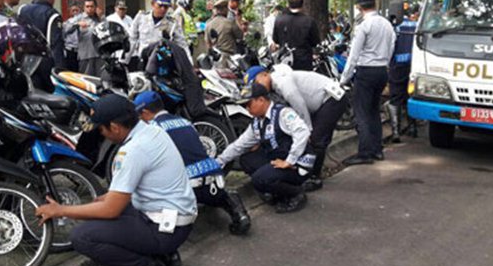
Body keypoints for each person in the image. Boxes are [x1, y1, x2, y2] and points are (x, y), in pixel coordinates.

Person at [36, 94, 197, 266]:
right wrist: (106, 200)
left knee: (82, 236)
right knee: (105, 204)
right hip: (176, 219)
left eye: (101, 129)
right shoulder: (152, 130)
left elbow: (110, 210)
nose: (102, 135)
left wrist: (61, 210)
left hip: (166, 229)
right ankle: (165, 255)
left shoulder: (132, 151)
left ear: (114, 127)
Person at [134, 90, 251, 235]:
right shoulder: (185, 122)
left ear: (145, 112)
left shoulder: (152, 130)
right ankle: (237, 211)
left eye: (139, 115)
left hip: (187, 192)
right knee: (215, 192)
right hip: (214, 183)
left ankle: (165, 242)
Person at [244, 64, 349, 191]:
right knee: (313, 136)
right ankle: (307, 172)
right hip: (319, 102)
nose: (256, 87)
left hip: (331, 98)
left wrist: (308, 129)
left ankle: (314, 177)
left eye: (256, 82)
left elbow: (299, 104)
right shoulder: (272, 88)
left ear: (264, 75)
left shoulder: (282, 82)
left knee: (316, 139)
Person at [217, 83, 315, 213]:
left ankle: (297, 193)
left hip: (299, 164)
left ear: (261, 100)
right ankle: (276, 189)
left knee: (259, 179)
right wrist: (218, 162)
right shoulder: (258, 122)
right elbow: (239, 145)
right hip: (279, 159)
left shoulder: (283, 113)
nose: (246, 108)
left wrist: (290, 161)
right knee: (247, 159)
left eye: (248, 104)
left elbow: (302, 132)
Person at [340, 0, 396, 166]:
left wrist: (344, 79)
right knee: (373, 111)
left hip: (365, 71)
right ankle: (377, 149)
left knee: (362, 112)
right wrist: (384, 62)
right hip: (381, 71)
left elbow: (353, 56)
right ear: (375, 3)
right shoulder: (387, 24)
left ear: (358, 7)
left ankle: (365, 152)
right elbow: (392, 45)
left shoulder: (364, 26)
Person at [17, 0, 64, 90]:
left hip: (24, 61)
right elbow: (55, 43)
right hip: (44, 63)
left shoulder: (22, 10)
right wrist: (60, 68)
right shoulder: (52, 14)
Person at [129, 0, 189, 70]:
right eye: (160, 5)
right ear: (152, 4)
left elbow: (182, 45)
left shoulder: (172, 23)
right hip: (143, 62)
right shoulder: (141, 18)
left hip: (163, 65)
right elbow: (132, 40)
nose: (163, 9)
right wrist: (125, 61)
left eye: (166, 6)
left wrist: (189, 65)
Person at [388, 4, 419, 142]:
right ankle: (412, 127)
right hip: (413, 66)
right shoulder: (415, 25)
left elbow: (390, 48)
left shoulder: (394, 28)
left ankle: (396, 132)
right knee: (409, 96)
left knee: (395, 98)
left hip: (397, 66)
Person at [273, 0, 320, 71]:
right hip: (304, 63)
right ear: (302, 4)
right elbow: (315, 42)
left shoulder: (279, 20)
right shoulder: (309, 21)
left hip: (285, 63)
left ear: (288, 3)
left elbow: (276, 40)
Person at [68, 0, 103, 76]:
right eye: (87, 6)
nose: (89, 9)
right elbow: (65, 29)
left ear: (95, 7)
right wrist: (77, 24)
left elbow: (107, 29)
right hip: (86, 55)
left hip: (99, 55)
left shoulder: (99, 18)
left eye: (92, 6)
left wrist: (102, 17)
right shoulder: (79, 18)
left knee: (100, 80)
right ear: (84, 8)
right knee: (86, 79)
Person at [205, 0, 243, 68]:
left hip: (215, 59)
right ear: (225, 9)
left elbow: (208, 44)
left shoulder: (208, 25)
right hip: (229, 59)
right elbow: (240, 36)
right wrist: (237, 19)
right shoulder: (229, 23)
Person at [62, 4, 82, 72]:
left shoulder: (84, 22)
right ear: (70, 12)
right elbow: (66, 32)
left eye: (77, 10)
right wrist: (75, 24)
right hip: (70, 50)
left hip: (81, 51)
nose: (75, 12)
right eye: (73, 10)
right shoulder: (66, 23)